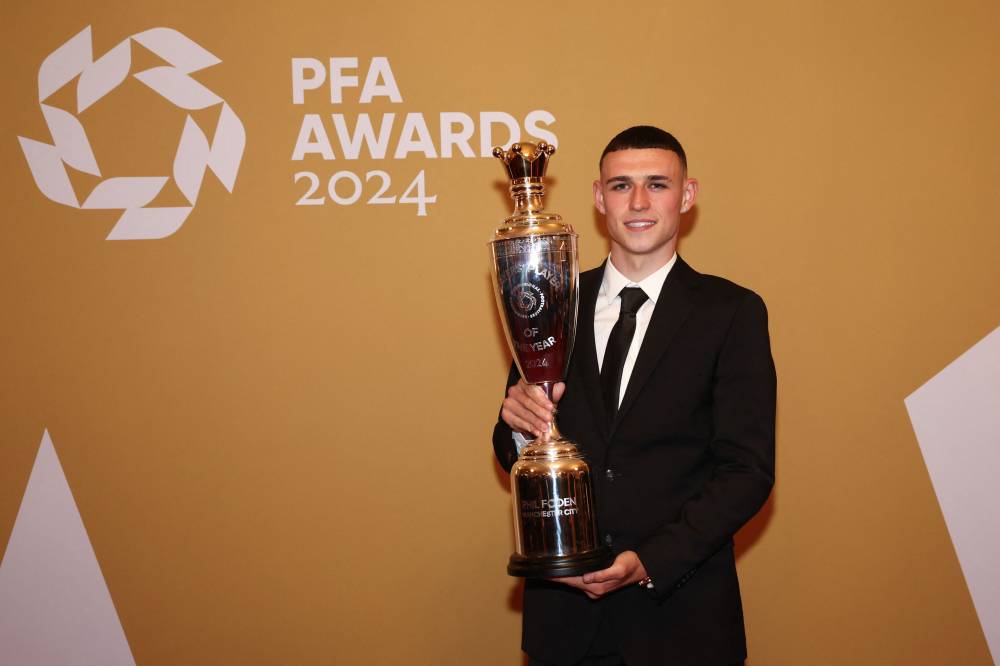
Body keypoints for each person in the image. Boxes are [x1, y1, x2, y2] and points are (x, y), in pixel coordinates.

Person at [492, 126, 776, 665]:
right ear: (599, 199)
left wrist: (649, 560)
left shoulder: (732, 312)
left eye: (657, 185)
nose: (639, 202)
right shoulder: (551, 299)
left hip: (682, 621)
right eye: (621, 186)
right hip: (567, 626)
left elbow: (747, 470)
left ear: (686, 196)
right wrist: (516, 424)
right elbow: (512, 449)